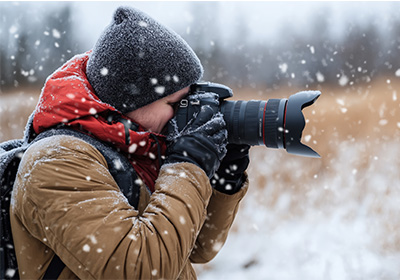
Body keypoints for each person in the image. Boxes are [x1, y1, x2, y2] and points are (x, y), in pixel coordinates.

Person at [10, 6, 250, 279]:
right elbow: (141, 271)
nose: (184, 114)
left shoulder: (136, 148)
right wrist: (188, 165)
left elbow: (196, 247)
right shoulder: (56, 161)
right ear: (132, 102)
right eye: (175, 103)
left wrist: (221, 178)